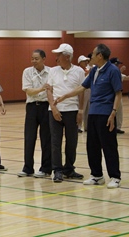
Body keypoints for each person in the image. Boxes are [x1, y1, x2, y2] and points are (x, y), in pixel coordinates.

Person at [56, 43, 123, 188]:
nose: (90, 56)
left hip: (106, 113)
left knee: (109, 146)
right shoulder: (94, 71)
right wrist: (64, 96)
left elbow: (118, 93)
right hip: (93, 112)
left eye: (92, 54)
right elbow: (82, 87)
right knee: (92, 145)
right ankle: (97, 175)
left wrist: (113, 112)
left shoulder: (113, 71)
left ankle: (115, 176)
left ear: (100, 56)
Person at [46, 43, 85, 183]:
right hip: (55, 111)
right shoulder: (53, 71)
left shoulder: (79, 71)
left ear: (67, 57)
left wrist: (80, 110)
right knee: (55, 141)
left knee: (72, 141)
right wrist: (53, 108)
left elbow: (82, 91)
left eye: (59, 55)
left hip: (72, 110)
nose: (56, 58)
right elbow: (49, 90)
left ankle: (69, 168)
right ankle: (57, 170)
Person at [17, 49, 51, 178]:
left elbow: (52, 89)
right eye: (32, 58)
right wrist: (42, 88)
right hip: (32, 107)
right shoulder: (27, 71)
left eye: (36, 58)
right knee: (29, 137)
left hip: (46, 106)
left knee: (46, 138)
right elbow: (28, 91)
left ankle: (46, 168)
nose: (33, 61)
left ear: (43, 58)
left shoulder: (51, 72)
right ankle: (28, 168)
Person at [110, 57, 129, 134]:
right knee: (111, 111)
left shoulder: (119, 74)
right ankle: (110, 126)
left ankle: (118, 128)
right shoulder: (109, 72)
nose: (118, 66)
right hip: (110, 95)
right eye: (117, 64)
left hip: (118, 95)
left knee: (119, 112)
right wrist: (119, 71)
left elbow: (128, 78)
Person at [77, 55, 91, 133]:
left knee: (88, 109)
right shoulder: (79, 70)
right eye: (84, 61)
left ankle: (87, 126)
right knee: (82, 107)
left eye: (86, 61)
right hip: (82, 90)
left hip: (89, 90)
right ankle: (79, 126)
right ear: (80, 62)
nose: (86, 62)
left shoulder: (87, 69)